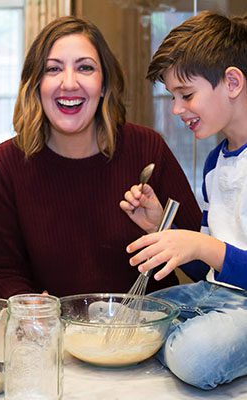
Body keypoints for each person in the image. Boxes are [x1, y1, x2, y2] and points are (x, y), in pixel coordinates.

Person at [0, 15, 203, 299]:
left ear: (104, 84)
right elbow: (2, 271)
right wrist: (30, 307)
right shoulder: (6, 163)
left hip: (149, 333)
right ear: (35, 84)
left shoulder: (148, 148)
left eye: (85, 68)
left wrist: (167, 228)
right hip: (55, 336)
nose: (69, 83)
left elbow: (203, 265)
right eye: (53, 69)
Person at [124, 11, 247, 390]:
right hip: (217, 298)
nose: (176, 109)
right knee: (120, 316)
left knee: (194, 356)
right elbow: (207, 271)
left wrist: (202, 244)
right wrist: (164, 227)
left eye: (186, 94)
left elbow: (212, 251)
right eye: (172, 96)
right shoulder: (215, 162)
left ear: (231, 82)